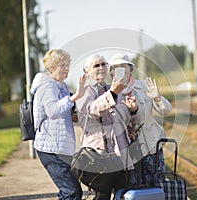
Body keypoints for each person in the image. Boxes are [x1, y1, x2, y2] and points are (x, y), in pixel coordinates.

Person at [75, 54, 138, 200]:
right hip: (99, 152)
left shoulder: (112, 89)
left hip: (120, 151)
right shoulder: (84, 91)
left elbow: (126, 119)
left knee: (122, 192)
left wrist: (133, 111)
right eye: (96, 65)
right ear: (86, 71)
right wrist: (113, 93)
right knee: (102, 195)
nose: (101, 67)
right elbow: (91, 111)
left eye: (104, 64)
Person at [109, 53, 172, 186]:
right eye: (116, 67)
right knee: (133, 188)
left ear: (130, 69)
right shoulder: (109, 94)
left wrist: (157, 98)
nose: (120, 69)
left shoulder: (144, 86)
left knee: (156, 186)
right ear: (112, 72)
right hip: (128, 153)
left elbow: (165, 110)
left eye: (123, 66)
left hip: (151, 147)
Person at [30, 49, 86, 200]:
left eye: (68, 65)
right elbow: (52, 111)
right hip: (50, 149)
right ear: (51, 68)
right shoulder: (47, 86)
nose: (67, 69)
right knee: (71, 192)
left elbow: (62, 110)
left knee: (71, 191)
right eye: (62, 65)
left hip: (60, 147)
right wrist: (75, 97)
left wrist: (72, 113)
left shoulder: (61, 86)